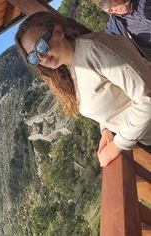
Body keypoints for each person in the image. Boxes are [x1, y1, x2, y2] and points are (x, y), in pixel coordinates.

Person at [15, 11, 151, 167]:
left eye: (41, 46)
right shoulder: (71, 70)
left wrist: (118, 144)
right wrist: (106, 128)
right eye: (33, 56)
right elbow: (109, 98)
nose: (41, 57)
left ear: (59, 32)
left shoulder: (95, 49)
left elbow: (146, 98)